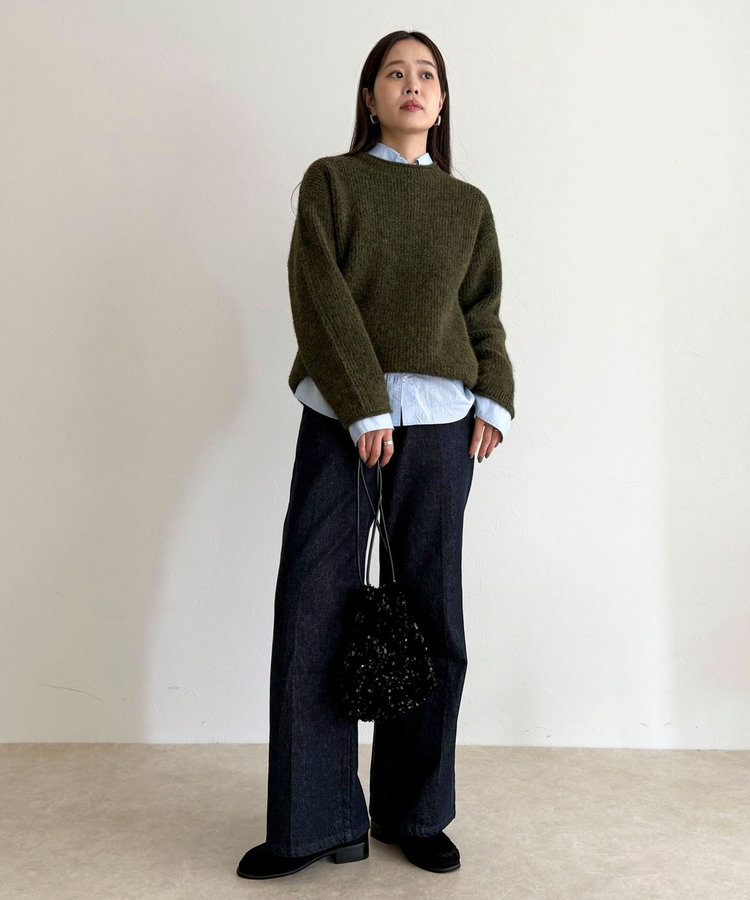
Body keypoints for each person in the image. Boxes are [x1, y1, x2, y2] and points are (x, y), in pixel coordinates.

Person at [237, 29, 515, 881]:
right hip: (340, 420)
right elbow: (318, 296)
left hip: (442, 425)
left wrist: (496, 397)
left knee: (434, 615)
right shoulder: (333, 182)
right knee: (312, 609)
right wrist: (363, 406)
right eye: (395, 72)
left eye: (426, 74)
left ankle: (414, 812)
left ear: (443, 99)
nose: (412, 84)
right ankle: (313, 821)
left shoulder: (467, 205)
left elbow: (483, 314)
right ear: (370, 96)